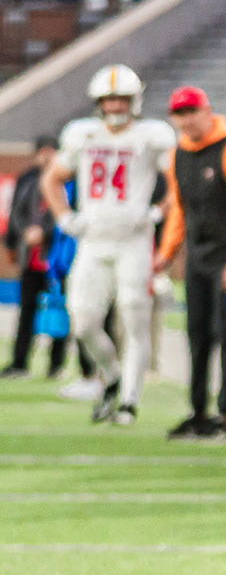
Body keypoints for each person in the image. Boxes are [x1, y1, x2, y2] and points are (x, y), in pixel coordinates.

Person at [39, 65, 177, 425]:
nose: (115, 106)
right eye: (109, 99)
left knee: (134, 316)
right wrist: (65, 217)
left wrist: (159, 211)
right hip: (93, 240)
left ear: (135, 101)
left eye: (121, 99)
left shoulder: (150, 135)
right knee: (82, 320)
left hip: (134, 240)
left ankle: (130, 400)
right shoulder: (83, 134)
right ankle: (112, 375)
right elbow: (52, 179)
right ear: (98, 102)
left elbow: (178, 178)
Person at [154, 86, 226, 441]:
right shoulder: (178, 154)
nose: (186, 120)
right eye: (179, 114)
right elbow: (179, 208)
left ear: (207, 111)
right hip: (197, 256)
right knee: (196, 335)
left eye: (191, 111)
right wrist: (167, 252)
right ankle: (197, 411)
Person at [3, 136, 57, 380]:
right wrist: (20, 236)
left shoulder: (66, 180)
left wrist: (44, 231)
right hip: (30, 257)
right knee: (26, 312)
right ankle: (19, 362)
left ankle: (56, 365)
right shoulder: (27, 180)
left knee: (59, 311)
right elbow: (16, 211)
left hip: (55, 259)